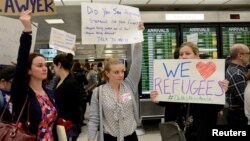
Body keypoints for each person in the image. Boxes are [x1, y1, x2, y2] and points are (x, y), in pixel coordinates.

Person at [150, 42, 229, 141]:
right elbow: (168, 102)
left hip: (200, 130)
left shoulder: (210, 77)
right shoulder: (172, 76)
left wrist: (221, 92)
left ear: (196, 55)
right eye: (181, 54)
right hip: (176, 130)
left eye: (187, 53)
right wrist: (158, 98)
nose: (183, 57)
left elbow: (217, 108)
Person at [88, 22, 144, 141]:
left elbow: (137, 64)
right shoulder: (98, 92)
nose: (121, 75)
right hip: (109, 137)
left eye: (122, 71)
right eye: (116, 72)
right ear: (107, 73)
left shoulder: (129, 85)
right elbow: (93, 119)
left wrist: (138, 37)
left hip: (130, 136)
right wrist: (90, 138)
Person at [11, 10, 58, 140]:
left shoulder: (49, 92)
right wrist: (27, 30)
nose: (44, 68)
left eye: (45, 65)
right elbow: (21, 62)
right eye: (39, 65)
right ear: (29, 71)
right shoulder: (22, 92)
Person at [53, 53, 82, 141]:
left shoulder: (71, 83)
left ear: (59, 65)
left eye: (54, 66)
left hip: (68, 125)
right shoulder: (59, 80)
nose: (53, 69)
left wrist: (73, 126)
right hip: (60, 124)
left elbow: (76, 107)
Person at [226, 43, 249, 125]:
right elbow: (246, 100)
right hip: (239, 117)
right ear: (240, 56)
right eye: (248, 53)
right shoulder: (237, 73)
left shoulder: (238, 68)